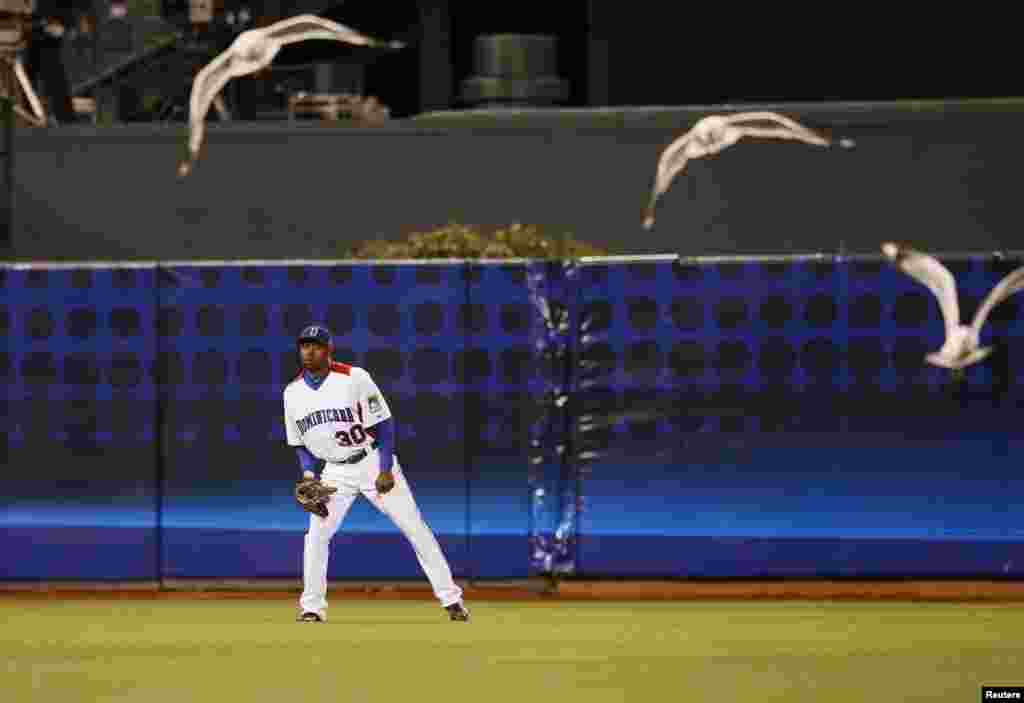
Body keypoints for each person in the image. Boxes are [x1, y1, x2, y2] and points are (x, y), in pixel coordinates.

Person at [283, 325, 470, 622]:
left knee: (415, 528)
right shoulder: (292, 392)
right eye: (304, 345)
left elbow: (384, 424)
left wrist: (385, 469)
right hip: (334, 472)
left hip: (371, 461)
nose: (309, 351)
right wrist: (308, 476)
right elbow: (298, 444)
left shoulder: (354, 378)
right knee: (316, 536)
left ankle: (452, 600)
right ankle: (311, 608)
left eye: (315, 345)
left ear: (329, 349)